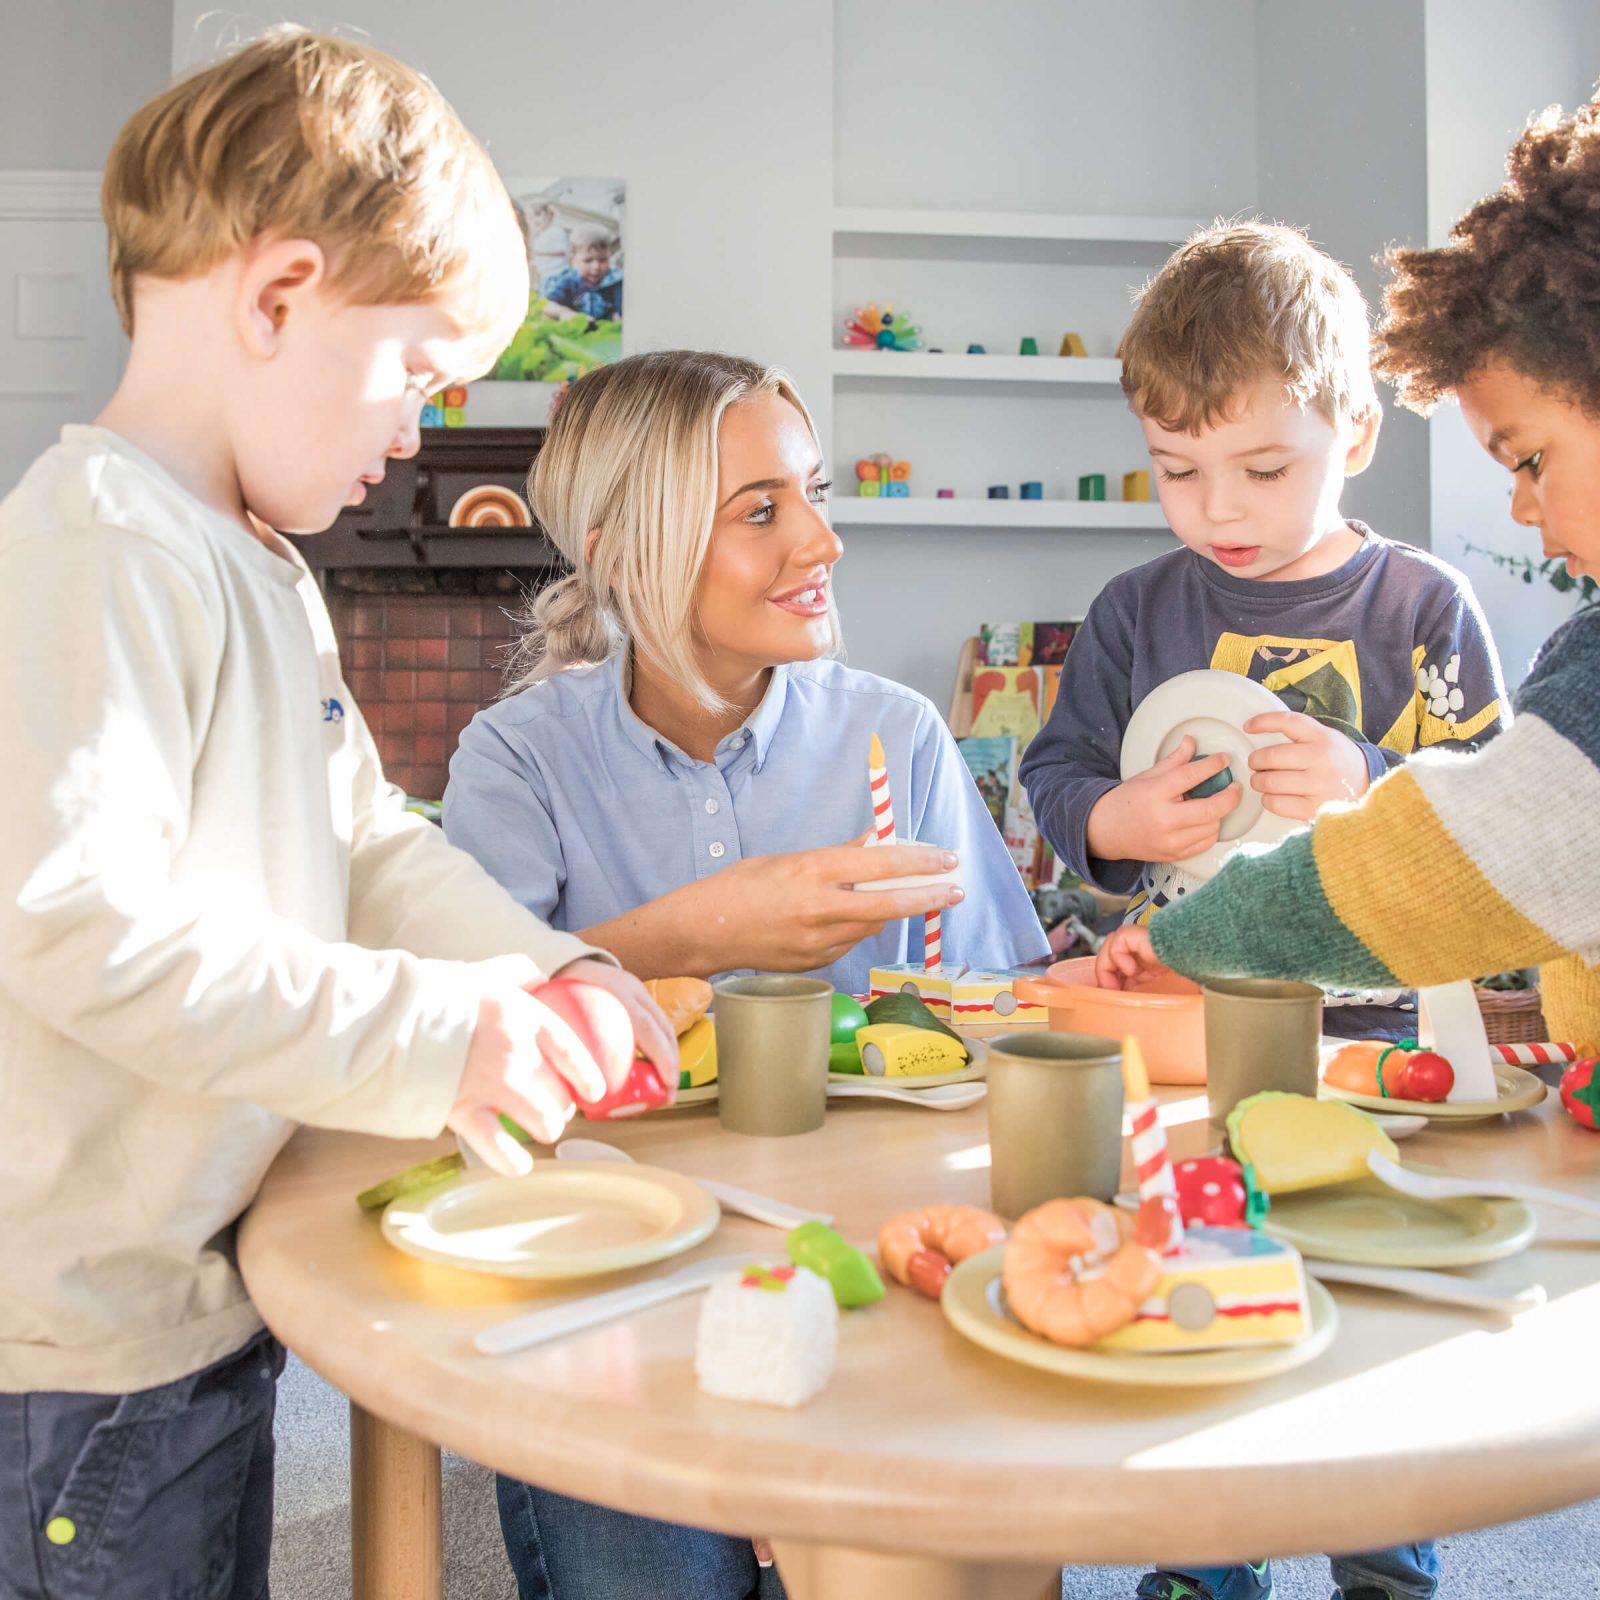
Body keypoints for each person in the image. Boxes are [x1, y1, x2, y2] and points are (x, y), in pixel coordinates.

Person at [0, 30, 673, 1598]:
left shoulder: (253, 560)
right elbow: (73, 922)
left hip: (191, 1290)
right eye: (421, 375)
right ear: (279, 295)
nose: (421, 436)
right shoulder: (99, 548)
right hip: (82, 1337)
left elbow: (366, 841)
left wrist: (538, 972)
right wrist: (439, 1041)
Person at [443, 348, 1046, 1599]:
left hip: (874, 1250)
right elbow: (469, 1025)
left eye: (814, 493)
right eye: (762, 509)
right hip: (618, 1264)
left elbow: (995, 1010)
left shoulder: (896, 734)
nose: (821, 541)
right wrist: (698, 931)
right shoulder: (518, 757)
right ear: (622, 552)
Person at [1099, 91, 1600, 1065]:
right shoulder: (1136, 607)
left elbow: (1437, 863)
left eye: (1528, 458)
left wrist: (1195, 939)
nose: (1520, 508)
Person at [1020, 221, 1506, 1048]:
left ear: (1355, 433)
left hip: (1376, 1022)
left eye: (1266, 470)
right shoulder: (1134, 610)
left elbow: (1495, 810)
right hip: (1179, 1001)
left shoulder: (1424, 606)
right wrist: (1112, 819)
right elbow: (1057, 769)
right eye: (1177, 470)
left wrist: (1366, 779)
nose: (1218, 508)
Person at [541, 222, 624, 322]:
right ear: (572, 260)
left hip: (607, 333)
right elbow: (547, 305)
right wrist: (564, 312)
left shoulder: (616, 282)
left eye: (602, 260)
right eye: (588, 260)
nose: (596, 267)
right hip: (578, 333)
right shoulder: (569, 281)